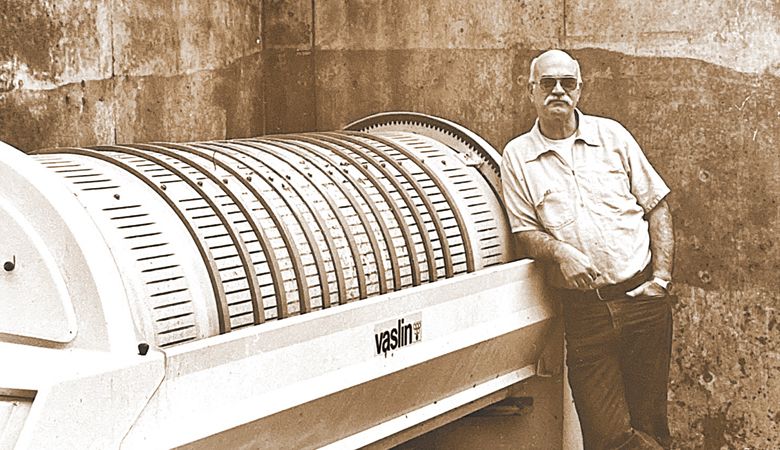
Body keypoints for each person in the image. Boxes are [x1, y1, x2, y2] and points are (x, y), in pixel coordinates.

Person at [500, 49, 675, 450]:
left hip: (641, 300)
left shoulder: (612, 136)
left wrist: (661, 280)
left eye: (568, 83)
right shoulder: (518, 157)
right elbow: (524, 231)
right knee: (606, 435)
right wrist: (561, 252)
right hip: (586, 313)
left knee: (650, 424)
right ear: (531, 90)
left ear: (580, 89)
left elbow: (657, 206)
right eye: (548, 83)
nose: (558, 91)